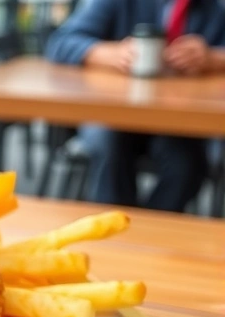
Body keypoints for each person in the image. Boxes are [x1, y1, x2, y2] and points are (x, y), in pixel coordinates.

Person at [45, 0, 225, 211]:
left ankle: (152, 234)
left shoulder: (212, 8)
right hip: (112, 112)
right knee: (108, 144)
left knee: (187, 163)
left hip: (174, 121)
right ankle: (118, 231)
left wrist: (213, 58)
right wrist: (106, 53)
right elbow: (60, 42)